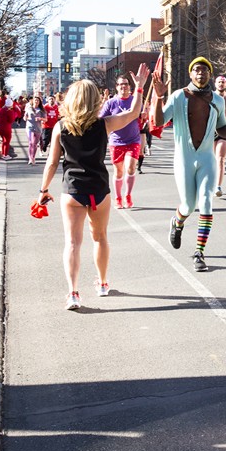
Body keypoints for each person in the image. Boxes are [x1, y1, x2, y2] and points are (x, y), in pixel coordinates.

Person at [36, 71, 146, 310]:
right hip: (99, 190)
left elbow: (52, 162)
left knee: (73, 243)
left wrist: (43, 190)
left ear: (72, 99)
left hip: (73, 190)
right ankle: (103, 283)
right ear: (95, 99)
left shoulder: (61, 127)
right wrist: (139, 88)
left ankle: (73, 293)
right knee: (100, 237)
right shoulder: (103, 125)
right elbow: (134, 113)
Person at [150, 57, 226, 272]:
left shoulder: (217, 100)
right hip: (184, 158)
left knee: (206, 201)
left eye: (205, 70)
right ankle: (177, 222)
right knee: (188, 205)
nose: (201, 74)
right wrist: (159, 96)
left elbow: (221, 129)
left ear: (210, 74)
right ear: (191, 74)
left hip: (207, 158)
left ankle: (199, 252)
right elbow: (159, 121)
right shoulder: (179, 96)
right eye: (197, 70)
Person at [100, 75, 143, 209]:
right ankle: (118, 197)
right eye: (120, 84)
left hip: (133, 140)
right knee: (119, 171)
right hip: (116, 141)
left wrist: (145, 114)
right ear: (117, 87)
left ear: (130, 86)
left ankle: (128, 195)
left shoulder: (135, 100)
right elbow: (101, 119)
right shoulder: (111, 103)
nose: (123, 86)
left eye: (126, 84)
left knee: (130, 168)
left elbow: (141, 114)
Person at [25, 95, 45, 165]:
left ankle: (33, 157)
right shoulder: (28, 108)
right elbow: (25, 118)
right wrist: (26, 118)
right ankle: (31, 158)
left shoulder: (41, 110)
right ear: (32, 101)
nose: (36, 101)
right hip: (30, 127)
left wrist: (40, 119)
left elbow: (46, 119)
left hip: (38, 128)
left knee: (35, 144)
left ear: (39, 102)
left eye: (38, 100)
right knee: (31, 143)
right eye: (35, 100)